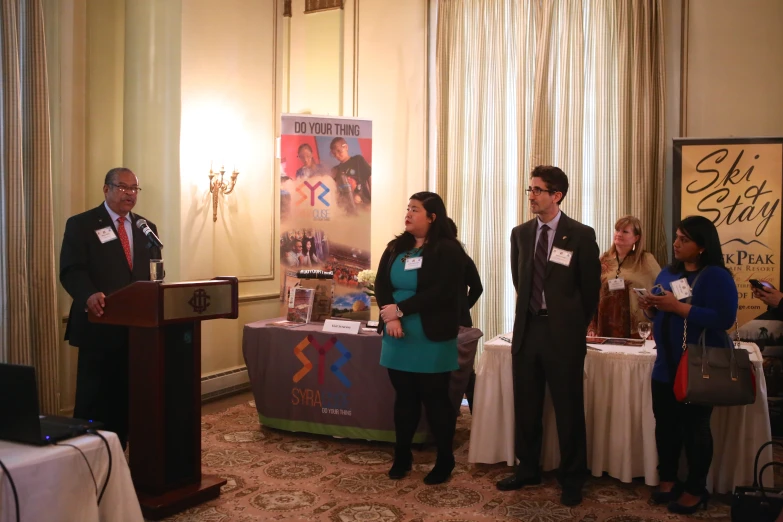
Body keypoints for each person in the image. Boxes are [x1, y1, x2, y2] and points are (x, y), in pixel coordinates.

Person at [496, 166, 600, 507]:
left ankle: (572, 478)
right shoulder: (520, 234)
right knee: (527, 405)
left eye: (538, 190)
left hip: (563, 336)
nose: (531, 196)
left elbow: (589, 291)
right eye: (529, 189)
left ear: (557, 195)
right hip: (528, 331)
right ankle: (528, 469)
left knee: (569, 408)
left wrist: (571, 325)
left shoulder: (581, 235)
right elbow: (519, 279)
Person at [638, 215, 737, 514]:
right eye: (677, 237)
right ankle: (668, 479)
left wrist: (677, 307)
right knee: (665, 425)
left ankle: (696, 488)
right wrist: (651, 308)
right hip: (665, 364)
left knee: (695, 428)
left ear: (702, 246)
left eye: (684, 239)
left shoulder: (716, 276)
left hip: (698, 365)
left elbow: (724, 319)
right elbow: (660, 314)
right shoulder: (668, 273)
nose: (676, 244)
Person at [59, 167, 161, 449]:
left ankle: (127, 453)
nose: (129, 194)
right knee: (96, 401)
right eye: (123, 187)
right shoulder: (82, 224)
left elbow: (153, 276)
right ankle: (90, 455)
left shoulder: (146, 228)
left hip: (137, 331)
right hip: (99, 327)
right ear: (106, 189)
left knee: (130, 399)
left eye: (134, 189)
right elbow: (71, 270)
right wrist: (88, 294)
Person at [375, 192, 466, 485]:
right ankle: (402, 456)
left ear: (432, 217)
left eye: (415, 209)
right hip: (396, 333)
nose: (409, 213)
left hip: (432, 335)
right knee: (404, 398)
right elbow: (381, 284)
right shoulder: (395, 247)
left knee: (435, 399)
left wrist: (400, 310)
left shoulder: (447, 250)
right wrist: (391, 317)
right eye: (408, 208)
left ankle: (444, 459)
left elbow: (441, 292)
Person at [588, 215, 661, 338]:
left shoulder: (646, 260)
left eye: (625, 232)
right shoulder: (604, 260)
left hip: (637, 326)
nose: (619, 234)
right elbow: (592, 293)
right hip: (606, 323)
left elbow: (659, 291)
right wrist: (591, 325)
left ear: (636, 238)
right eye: (617, 230)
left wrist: (654, 327)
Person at [447, 218, 483, 413]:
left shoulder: (458, 257)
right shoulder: (462, 256)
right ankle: (475, 413)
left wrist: (463, 308)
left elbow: (477, 288)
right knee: (465, 371)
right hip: (459, 318)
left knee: (462, 370)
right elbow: (477, 288)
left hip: (456, 323)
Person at [330, 137, 371, 205]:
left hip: (364, 203)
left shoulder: (358, 160)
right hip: (346, 206)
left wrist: (373, 199)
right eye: (334, 154)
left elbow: (369, 177)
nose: (337, 155)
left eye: (339, 151)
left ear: (346, 147)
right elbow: (334, 191)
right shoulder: (335, 170)